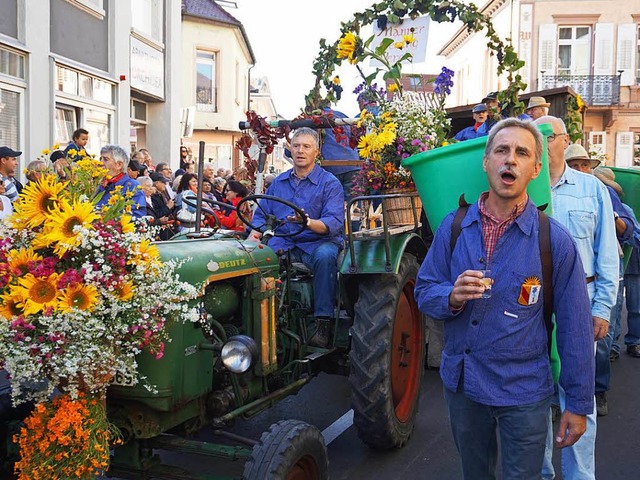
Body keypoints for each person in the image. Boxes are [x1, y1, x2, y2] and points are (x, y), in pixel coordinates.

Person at [414, 117, 594, 480]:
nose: (510, 159)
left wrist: (577, 404)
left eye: (521, 153)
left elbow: (575, 327)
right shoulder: (453, 226)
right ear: (486, 162)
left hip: (524, 393)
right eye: (501, 150)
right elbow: (424, 290)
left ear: (535, 168)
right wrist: (450, 296)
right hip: (465, 387)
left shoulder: (553, 241)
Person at [534, 116, 619, 480]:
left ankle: (580, 476)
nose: (539, 142)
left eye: (546, 136)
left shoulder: (590, 188)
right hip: (531, 304)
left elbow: (608, 254)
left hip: (581, 300)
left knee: (578, 396)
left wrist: (602, 308)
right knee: (532, 393)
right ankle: (539, 472)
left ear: (564, 141)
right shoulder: (525, 190)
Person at [248, 127, 344, 347]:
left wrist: (308, 222)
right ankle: (263, 318)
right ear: (290, 149)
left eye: (306, 146)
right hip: (284, 242)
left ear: (316, 152)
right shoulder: (278, 184)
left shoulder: (330, 184)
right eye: (296, 145)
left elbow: (333, 224)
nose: (300, 151)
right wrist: (255, 234)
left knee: (326, 256)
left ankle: (323, 324)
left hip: (316, 243)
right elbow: (261, 215)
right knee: (255, 255)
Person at [565, 147, 633, 417]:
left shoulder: (600, 191)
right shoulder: (553, 192)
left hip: (600, 278)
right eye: (576, 164)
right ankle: (564, 397)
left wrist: (614, 221)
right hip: (566, 284)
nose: (582, 169)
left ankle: (599, 391)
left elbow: (629, 229)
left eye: (585, 164)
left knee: (601, 343)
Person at [96, 145, 146, 219]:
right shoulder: (97, 184)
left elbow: (137, 215)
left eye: (105, 159)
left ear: (119, 165)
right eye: (101, 159)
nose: (100, 163)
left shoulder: (132, 186)